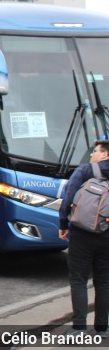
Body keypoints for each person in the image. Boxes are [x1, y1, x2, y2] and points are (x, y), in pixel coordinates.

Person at [58, 139, 109, 337]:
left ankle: (79, 327)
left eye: (95, 151)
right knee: (104, 281)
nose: (91, 154)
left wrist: (63, 224)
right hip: (107, 236)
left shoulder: (85, 170)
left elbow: (68, 198)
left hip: (81, 233)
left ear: (105, 154)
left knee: (78, 279)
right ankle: (103, 328)